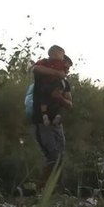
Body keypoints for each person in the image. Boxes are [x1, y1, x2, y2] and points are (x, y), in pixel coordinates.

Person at [33, 45, 73, 190]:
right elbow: (35, 68)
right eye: (65, 67)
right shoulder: (44, 73)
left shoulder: (65, 83)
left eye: (67, 69)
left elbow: (70, 104)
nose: (66, 71)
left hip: (57, 122)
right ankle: (41, 188)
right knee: (53, 155)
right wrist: (57, 73)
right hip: (42, 121)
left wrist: (60, 99)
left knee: (60, 156)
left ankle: (55, 189)